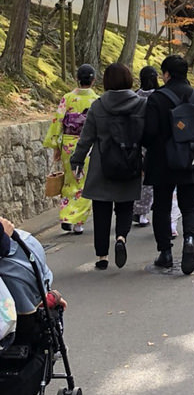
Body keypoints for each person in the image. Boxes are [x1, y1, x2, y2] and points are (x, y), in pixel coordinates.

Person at [142, 54, 194, 274]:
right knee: (191, 205)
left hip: (162, 162)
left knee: (162, 207)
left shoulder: (156, 98)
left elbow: (148, 133)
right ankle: (190, 239)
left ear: (166, 74)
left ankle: (165, 253)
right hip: (191, 160)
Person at [70, 62, 146, 271]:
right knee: (125, 206)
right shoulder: (141, 104)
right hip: (130, 162)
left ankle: (102, 256)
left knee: (101, 210)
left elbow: (86, 138)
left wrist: (76, 160)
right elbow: (147, 136)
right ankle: (121, 237)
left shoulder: (98, 105)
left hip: (102, 164)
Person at [43, 63, 99, 234]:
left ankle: (67, 215)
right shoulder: (96, 100)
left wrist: (56, 146)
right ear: (93, 80)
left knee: (70, 179)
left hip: (68, 143)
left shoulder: (67, 98)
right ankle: (78, 222)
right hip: (88, 144)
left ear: (77, 79)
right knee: (84, 181)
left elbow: (58, 121)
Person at [133, 65, 159, 227]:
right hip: (154, 141)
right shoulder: (159, 96)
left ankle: (134, 210)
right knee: (150, 181)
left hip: (136, 140)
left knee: (138, 178)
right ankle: (143, 213)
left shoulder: (135, 95)